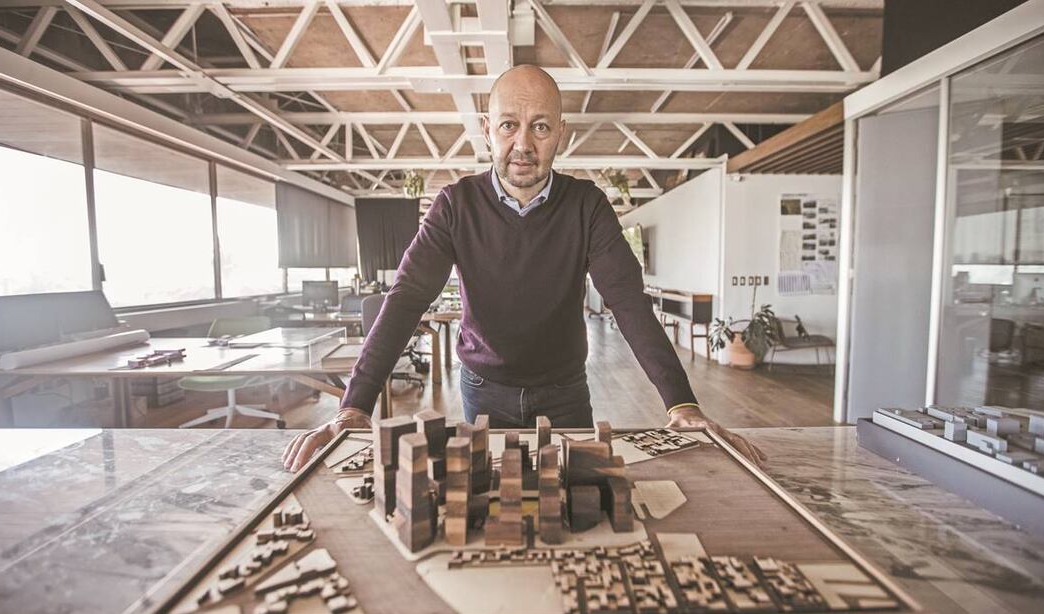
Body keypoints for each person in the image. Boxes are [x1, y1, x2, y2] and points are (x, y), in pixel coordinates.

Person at [282, 65, 765, 471]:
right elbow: (407, 297)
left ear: (561, 133)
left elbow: (628, 302)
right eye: (509, 124)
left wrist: (681, 403)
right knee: (492, 498)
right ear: (488, 129)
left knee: (572, 501)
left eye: (540, 126)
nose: (523, 144)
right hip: (482, 389)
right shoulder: (454, 206)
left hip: (564, 391)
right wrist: (352, 408)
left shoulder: (587, 206)